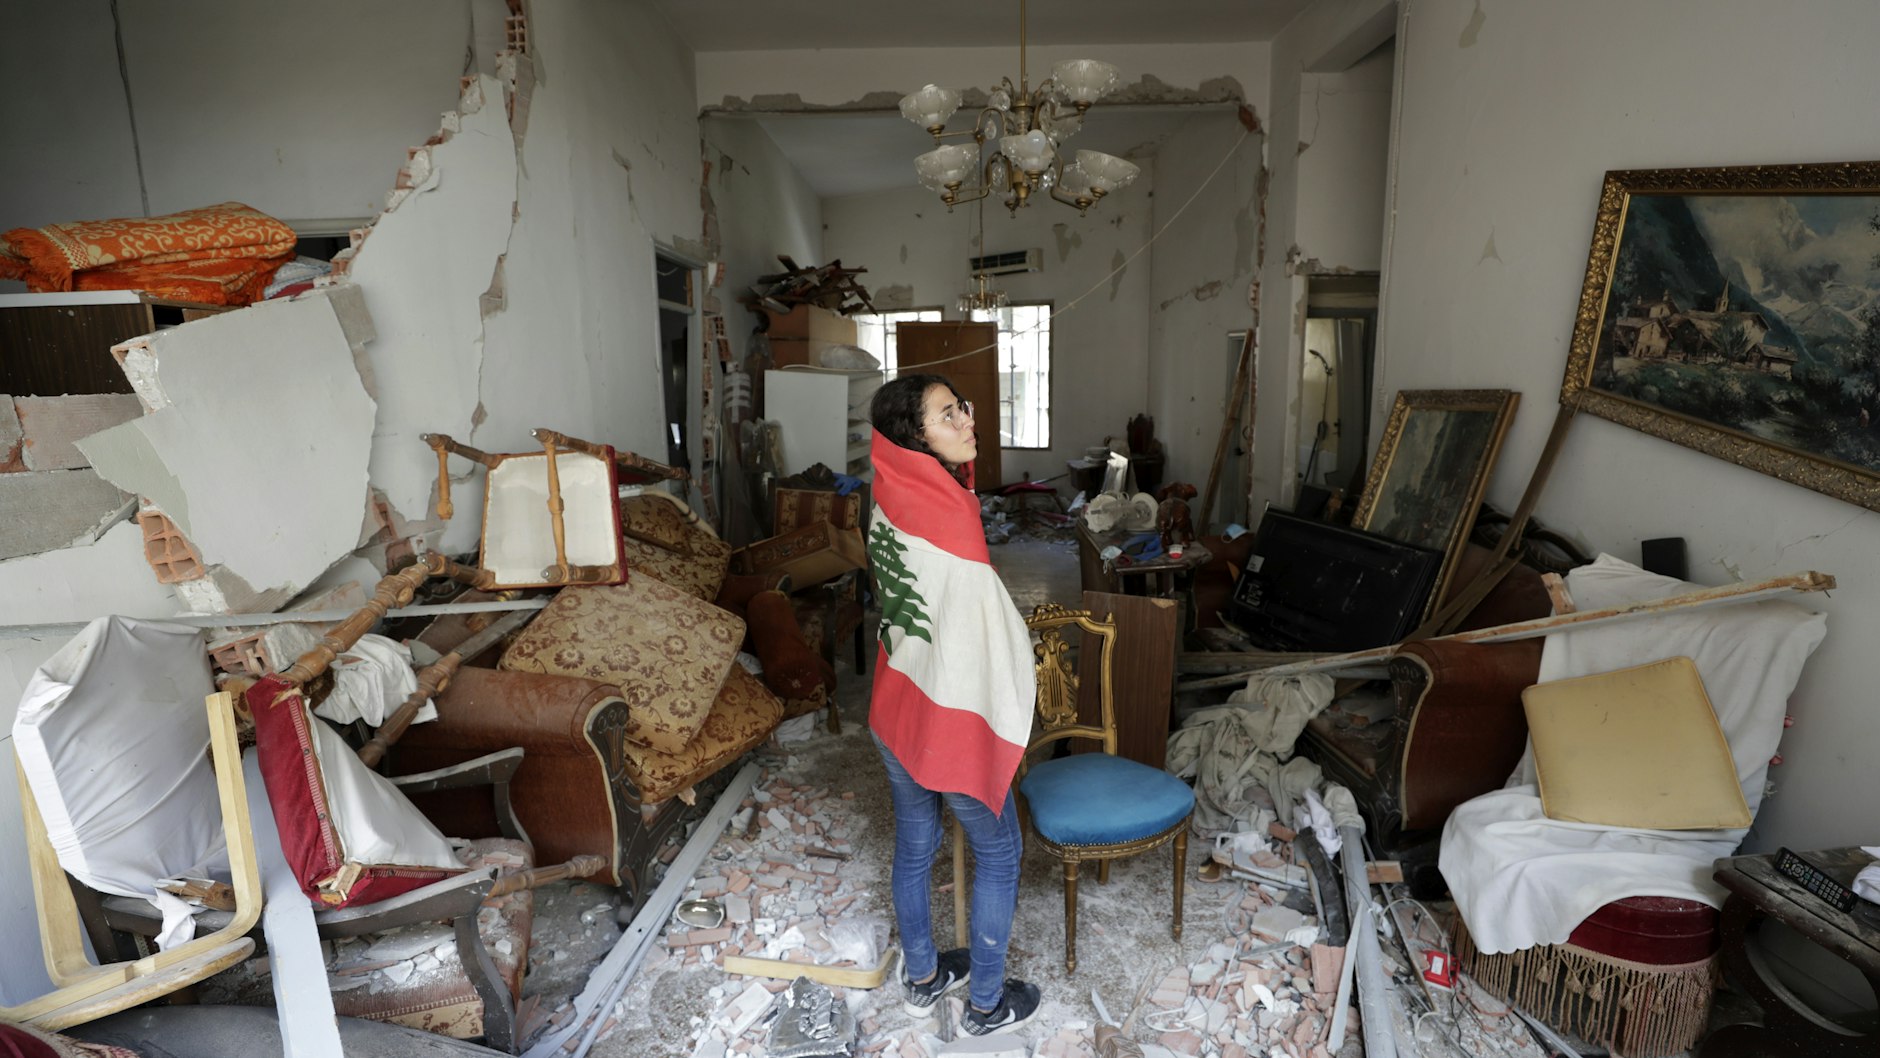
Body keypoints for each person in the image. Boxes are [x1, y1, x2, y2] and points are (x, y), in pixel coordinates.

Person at [865, 373, 1042, 1036]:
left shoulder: (889, 489)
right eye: (948, 414)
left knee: (916, 842)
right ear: (916, 436)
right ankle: (988, 1006)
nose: (968, 419)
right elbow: (986, 631)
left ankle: (922, 978)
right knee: (999, 852)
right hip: (944, 718)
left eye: (962, 406)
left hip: (896, 705)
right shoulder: (950, 511)